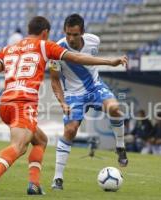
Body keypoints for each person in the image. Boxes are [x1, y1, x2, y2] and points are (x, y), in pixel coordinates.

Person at [0, 16, 128, 197]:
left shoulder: (8, 49)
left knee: (41, 140)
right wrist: (110, 62)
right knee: (19, 146)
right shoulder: (45, 46)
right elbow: (77, 58)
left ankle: (34, 185)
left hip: (5, 103)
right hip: (23, 103)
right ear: (45, 33)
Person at [49, 14, 128, 190]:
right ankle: (58, 178)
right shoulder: (56, 50)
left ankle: (120, 146)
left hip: (95, 87)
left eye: (75, 34)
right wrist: (62, 102)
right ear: (64, 31)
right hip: (73, 94)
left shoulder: (94, 41)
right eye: (68, 33)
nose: (71, 38)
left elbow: (89, 61)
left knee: (115, 108)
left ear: (82, 32)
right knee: (70, 130)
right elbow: (54, 80)